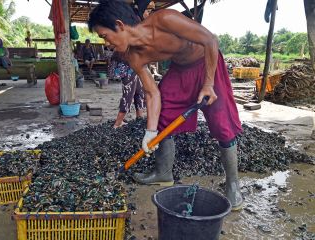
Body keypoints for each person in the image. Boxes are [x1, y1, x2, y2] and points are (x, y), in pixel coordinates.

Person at [88, 0, 244, 210]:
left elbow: (210, 40)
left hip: (207, 63)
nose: (107, 44)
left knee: (221, 123)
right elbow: (152, 93)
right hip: (180, 70)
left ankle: (233, 184)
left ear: (120, 25)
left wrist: (208, 83)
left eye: (105, 36)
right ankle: (163, 172)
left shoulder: (165, 20)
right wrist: (150, 132)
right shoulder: (134, 57)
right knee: (164, 112)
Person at [111, 53, 146, 128]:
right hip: (128, 69)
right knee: (128, 96)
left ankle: (139, 119)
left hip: (134, 68)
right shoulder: (126, 45)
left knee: (139, 94)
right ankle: (118, 123)